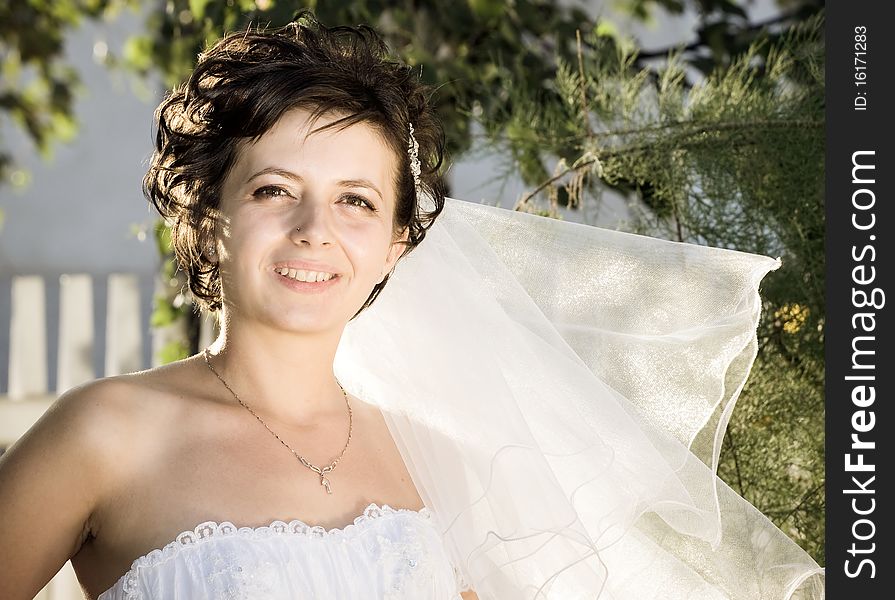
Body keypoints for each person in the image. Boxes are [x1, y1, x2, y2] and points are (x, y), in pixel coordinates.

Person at [0, 11, 823, 600]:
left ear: (396, 240)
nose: (313, 229)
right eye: (273, 189)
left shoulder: (441, 458)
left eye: (356, 201)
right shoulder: (105, 432)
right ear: (213, 218)